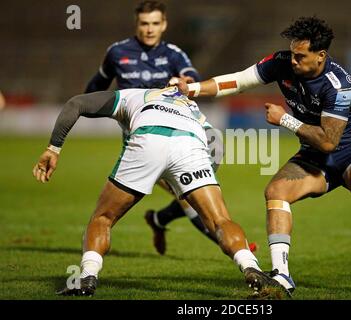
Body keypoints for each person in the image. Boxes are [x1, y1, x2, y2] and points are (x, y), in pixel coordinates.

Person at [172, 16, 351, 296]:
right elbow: (237, 81)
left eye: (301, 56)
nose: (293, 61)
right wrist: (193, 89)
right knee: (275, 191)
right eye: (293, 53)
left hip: (349, 148)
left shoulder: (338, 85)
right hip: (313, 154)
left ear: (320, 56)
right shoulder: (282, 63)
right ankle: (282, 276)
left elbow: (330, 141)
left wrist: (285, 120)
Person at [32, 87, 279, 297]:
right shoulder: (191, 106)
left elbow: (76, 103)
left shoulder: (132, 95)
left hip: (149, 138)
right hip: (190, 145)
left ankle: (87, 277)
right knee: (220, 220)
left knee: (103, 218)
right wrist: (199, 178)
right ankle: (250, 266)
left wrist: (53, 148)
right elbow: (216, 143)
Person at [84, 1, 256, 255]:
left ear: (163, 24)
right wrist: (106, 106)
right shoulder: (117, 52)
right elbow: (94, 89)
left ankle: (161, 220)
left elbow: (192, 80)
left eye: (155, 23)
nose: (149, 29)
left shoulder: (174, 53)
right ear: (137, 24)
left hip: (176, 130)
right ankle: (240, 251)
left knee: (194, 185)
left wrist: (185, 82)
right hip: (140, 138)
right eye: (144, 23)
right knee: (190, 195)